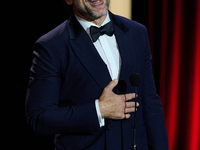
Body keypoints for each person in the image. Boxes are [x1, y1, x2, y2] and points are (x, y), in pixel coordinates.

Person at [26, 0, 169, 149]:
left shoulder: (137, 32)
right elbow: (39, 118)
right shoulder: (51, 46)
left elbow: (150, 103)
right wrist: (99, 110)